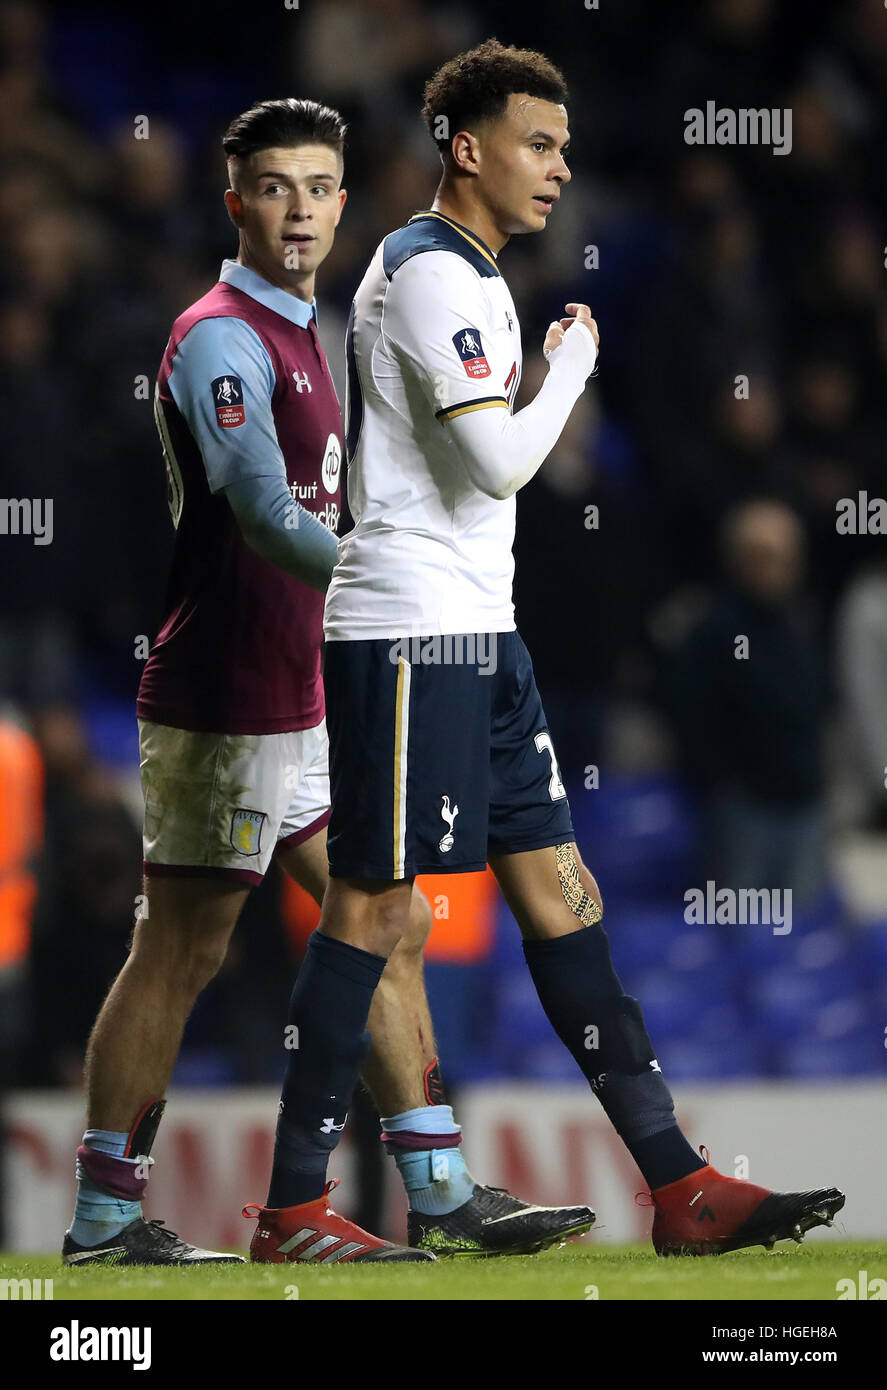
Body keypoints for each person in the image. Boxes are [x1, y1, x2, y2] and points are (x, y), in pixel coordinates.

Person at [248, 41, 844, 1260]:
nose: (558, 170)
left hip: (483, 632)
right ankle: (294, 1205)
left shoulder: (466, 276)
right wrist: (570, 364)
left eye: (565, 148)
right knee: (369, 908)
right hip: (411, 634)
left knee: (564, 898)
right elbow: (500, 462)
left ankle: (677, 1184)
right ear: (465, 149)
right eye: (536, 144)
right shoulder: (423, 276)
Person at [64, 97, 590, 1267]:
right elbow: (259, 506)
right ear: (234, 201)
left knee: (388, 915)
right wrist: (377, 572)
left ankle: (438, 1185)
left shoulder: (317, 325)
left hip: (304, 691)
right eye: (272, 188)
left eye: (317, 188)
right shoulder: (218, 337)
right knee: (183, 950)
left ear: (343, 203)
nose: (297, 210)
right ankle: (106, 1214)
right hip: (225, 697)